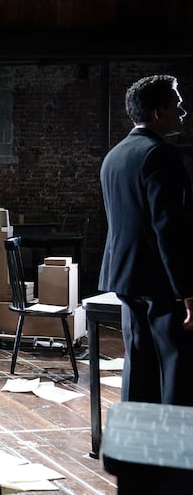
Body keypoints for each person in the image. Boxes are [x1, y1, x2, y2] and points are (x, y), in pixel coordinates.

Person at [99, 74, 193, 407]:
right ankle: (175, 448)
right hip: (159, 280)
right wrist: (187, 291)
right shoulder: (160, 155)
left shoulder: (115, 155)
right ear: (157, 113)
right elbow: (168, 229)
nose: (182, 112)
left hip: (125, 274)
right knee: (176, 365)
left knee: (138, 362)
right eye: (177, 105)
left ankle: (135, 447)